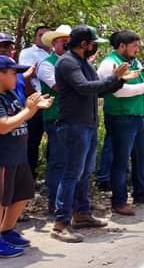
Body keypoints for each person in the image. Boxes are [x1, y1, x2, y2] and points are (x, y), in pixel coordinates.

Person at [52, 25, 133, 243]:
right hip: (73, 126)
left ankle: (82, 214)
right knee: (71, 174)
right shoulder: (68, 62)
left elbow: (98, 90)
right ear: (84, 44)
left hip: (86, 125)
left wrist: (119, 80)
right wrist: (113, 77)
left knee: (84, 172)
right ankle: (61, 224)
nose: (95, 47)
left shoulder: (83, 63)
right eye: (93, 43)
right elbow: (85, 87)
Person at [98, 31, 144, 216]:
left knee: (141, 157)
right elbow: (118, 91)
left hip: (139, 116)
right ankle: (119, 201)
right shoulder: (109, 64)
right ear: (121, 45)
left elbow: (143, 87)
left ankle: (141, 193)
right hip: (120, 117)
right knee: (120, 161)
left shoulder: (134, 62)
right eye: (134, 45)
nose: (138, 49)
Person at [0, 57, 52, 258]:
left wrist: (36, 107)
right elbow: (4, 126)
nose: (17, 77)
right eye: (13, 73)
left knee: (22, 195)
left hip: (18, 155)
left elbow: (20, 116)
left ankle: (6, 231)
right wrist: (29, 111)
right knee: (2, 200)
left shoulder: (10, 93)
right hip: (4, 157)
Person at [37, 25, 71, 215]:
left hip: (73, 118)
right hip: (56, 118)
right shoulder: (47, 64)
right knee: (58, 161)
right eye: (63, 41)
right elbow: (60, 87)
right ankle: (54, 202)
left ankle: (67, 201)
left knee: (71, 162)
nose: (66, 44)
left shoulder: (76, 62)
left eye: (69, 40)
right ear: (54, 43)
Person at [18, 25, 51, 179]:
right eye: (40, 35)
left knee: (53, 140)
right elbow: (26, 76)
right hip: (35, 102)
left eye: (47, 35)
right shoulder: (28, 53)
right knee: (32, 141)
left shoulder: (56, 54)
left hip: (52, 103)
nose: (43, 37)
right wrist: (35, 96)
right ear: (35, 37)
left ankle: (48, 176)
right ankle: (28, 176)